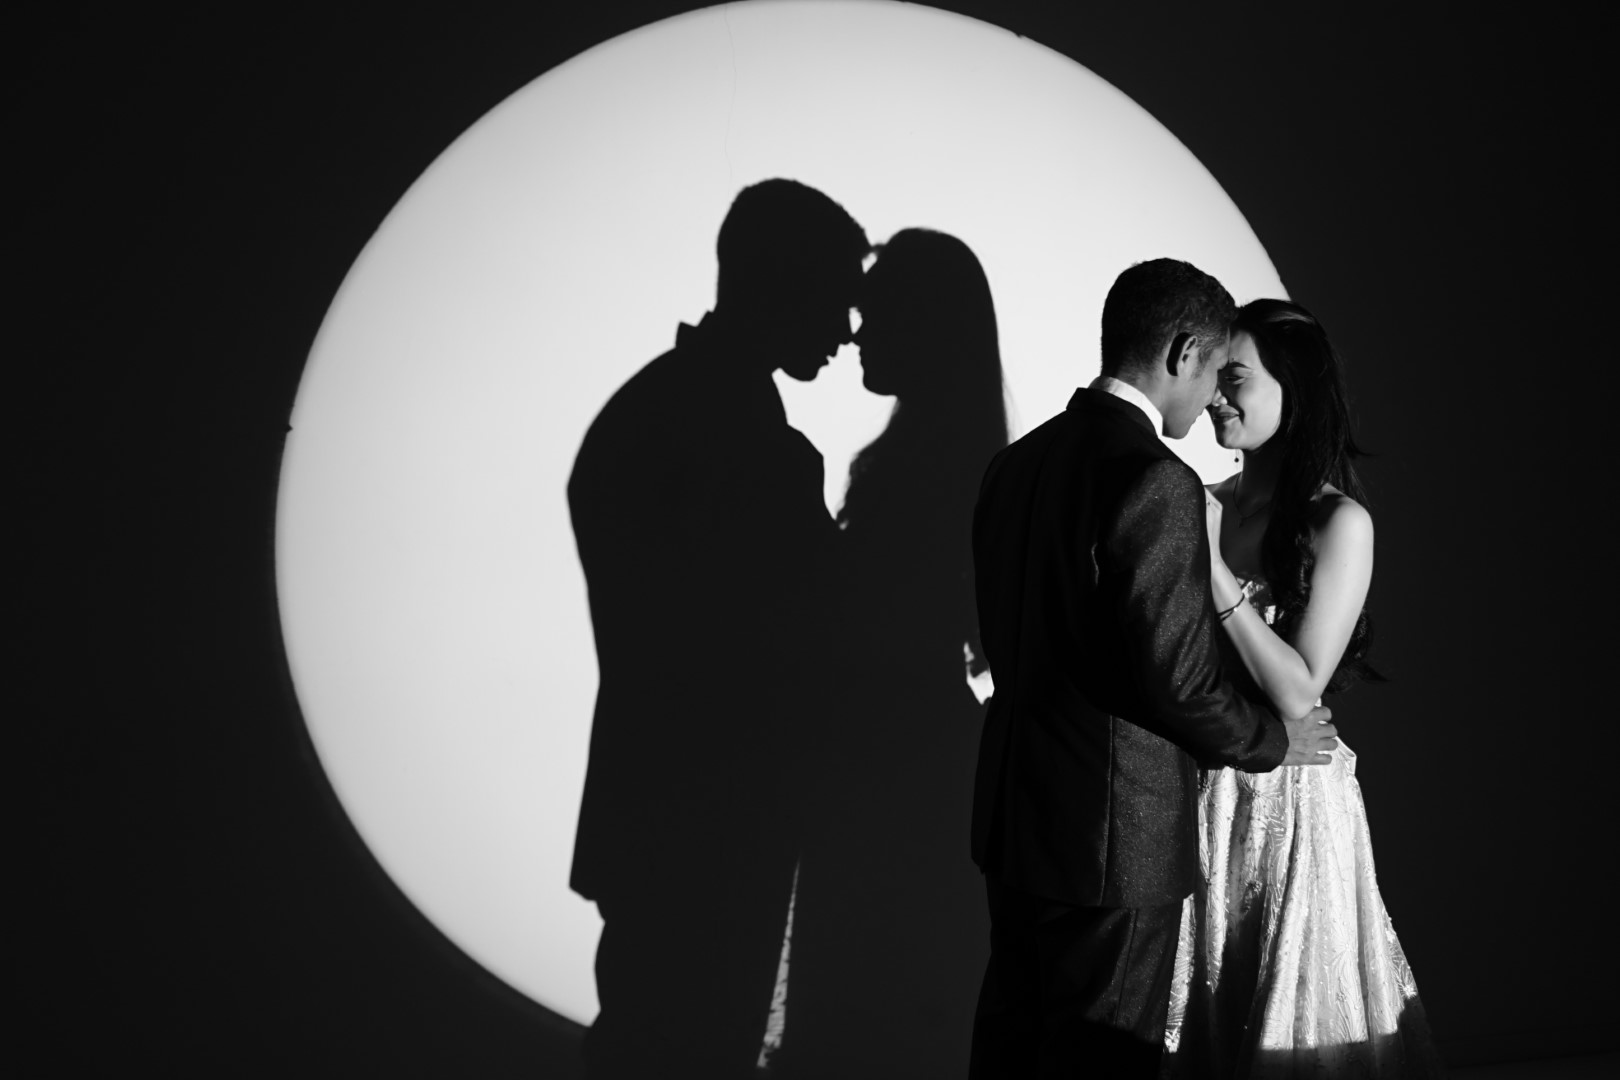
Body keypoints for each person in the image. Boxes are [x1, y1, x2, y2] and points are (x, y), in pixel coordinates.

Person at [967, 259, 1339, 1078]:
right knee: (1099, 1061)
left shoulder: (1016, 463)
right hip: (1114, 836)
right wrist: (1273, 742)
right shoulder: (1154, 477)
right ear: (1182, 352)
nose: (1210, 401)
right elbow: (1176, 678)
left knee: (1011, 1046)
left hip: (1015, 819)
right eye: (1214, 371)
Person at [566, 179, 867, 1080]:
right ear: (783, 284)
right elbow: (768, 638)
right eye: (836, 298)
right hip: (707, 823)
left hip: (675, 813)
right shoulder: (726, 434)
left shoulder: (671, 408)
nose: (849, 329)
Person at [1164, 298, 1445, 1077]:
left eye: (1236, 378)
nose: (1215, 395)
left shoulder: (1338, 523)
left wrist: (1213, 570)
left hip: (1288, 797)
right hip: (1196, 788)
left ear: (1295, 389)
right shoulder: (1203, 502)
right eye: (1212, 376)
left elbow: (1299, 690)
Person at [778, 228, 1006, 1077]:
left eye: (874, 315)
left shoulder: (920, 470)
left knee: (870, 992)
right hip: (916, 751)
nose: (856, 333)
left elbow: (875, 624)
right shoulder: (955, 459)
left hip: (891, 760)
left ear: (922, 326)